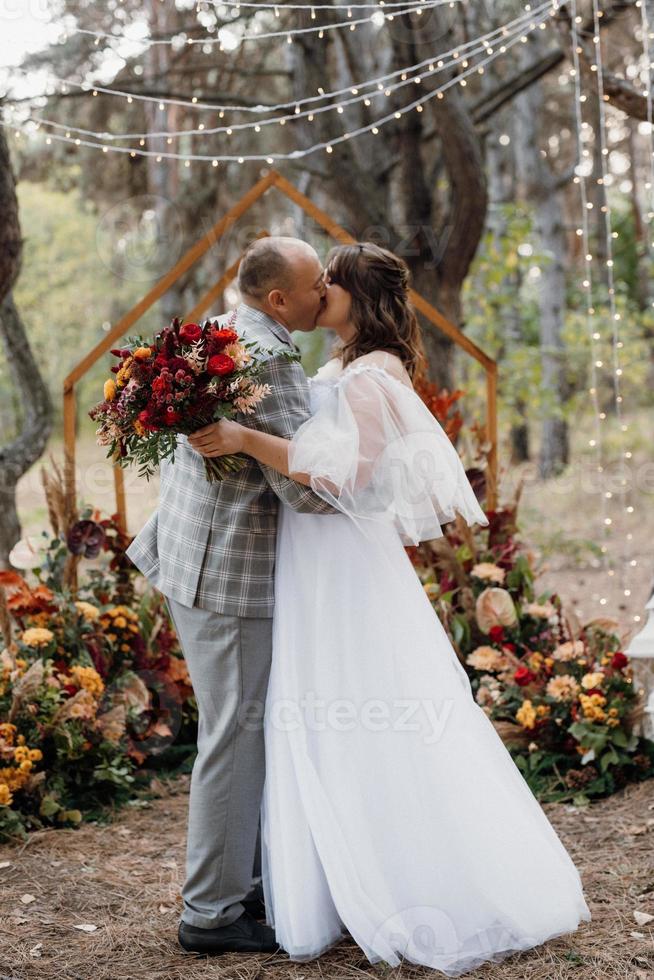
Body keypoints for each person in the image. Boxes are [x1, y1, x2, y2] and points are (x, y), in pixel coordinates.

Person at [188, 241, 592, 974]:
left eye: (330, 283)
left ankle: (401, 875)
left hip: (341, 561)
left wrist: (248, 440)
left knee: (361, 704)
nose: (321, 293)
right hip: (309, 559)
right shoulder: (339, 362)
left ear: (353, 298)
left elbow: (357, 474)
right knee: (312, 707)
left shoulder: (375, 372)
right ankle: (325, 876)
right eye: (316, 283)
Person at [125, 236, 338, 956]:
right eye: (315, 284)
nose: (325, 292)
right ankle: (212, 913)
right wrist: (369, 484)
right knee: (235, 734)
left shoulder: (222, 328)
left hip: (191, 558)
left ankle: (237, 881)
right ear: (278, 300)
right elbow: (303, 492)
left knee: (236, 727)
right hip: (227, 576)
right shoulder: (271, 364)